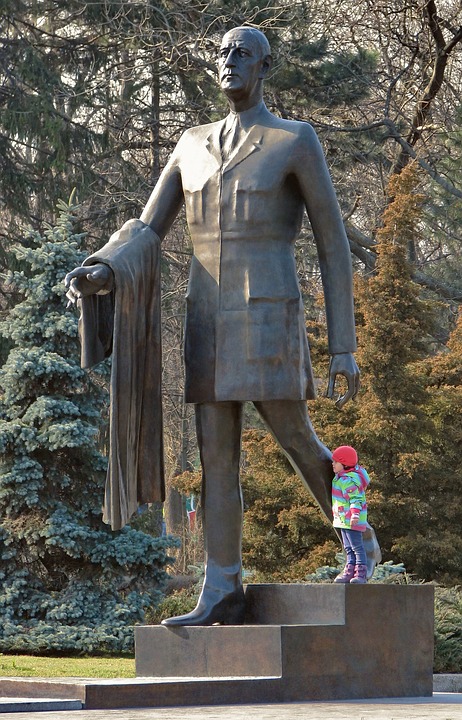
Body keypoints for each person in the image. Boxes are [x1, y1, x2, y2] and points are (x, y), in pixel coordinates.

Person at [65, 26, 381, 626]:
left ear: (265, 66)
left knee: (296, 439)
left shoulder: (293, 140)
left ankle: (357, 534)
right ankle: (221, 587)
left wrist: (343, 346)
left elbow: (334, 245)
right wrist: (103, 271)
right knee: (216, 460)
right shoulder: (191, 145)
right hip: (207, 322)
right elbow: (147, 229)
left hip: (268, 318)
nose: (228, 60)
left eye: (241, 52)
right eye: (221, 52)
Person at [332, 445, 370, 584]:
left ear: (344, 464)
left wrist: (355, 515)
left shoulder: (348, 481)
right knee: (348, 547)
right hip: (343, 519)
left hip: (352, 519)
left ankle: (361, 574)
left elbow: (356, 499)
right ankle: (349, 571)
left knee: (356, 547)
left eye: (336, 462)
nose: (333, 464)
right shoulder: (340, 478)